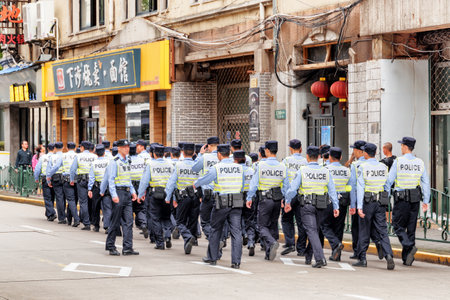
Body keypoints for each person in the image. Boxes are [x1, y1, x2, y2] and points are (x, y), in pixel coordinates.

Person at [284, 146, 339, 268]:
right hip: (321, 206)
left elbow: (292, 189)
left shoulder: (302, 170)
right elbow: (332, 190)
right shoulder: (325, 171)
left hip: (307, 205)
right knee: (315, 230)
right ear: (319, 157)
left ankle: (320, 259)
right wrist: (336, 206)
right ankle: (309, 256)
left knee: (312, 231)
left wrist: (288, 202)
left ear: (307, 157)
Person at [195, 144, 245, 268]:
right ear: (229, 153)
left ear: (219, 154)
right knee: (236, 232)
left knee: (215, 229)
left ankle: (212, 257)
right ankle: (236, 261)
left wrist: (196, 184)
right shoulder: (239, 168)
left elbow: (205, 179)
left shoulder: (217, 168)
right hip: (237, 201)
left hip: (222, 202)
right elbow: (242, 185)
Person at [385, 137, 430, 266]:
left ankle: (409, 246)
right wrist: (426, 200)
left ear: (405, 147)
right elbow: (425, 182)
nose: (401, 148)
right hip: (415, 199)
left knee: (398, 226)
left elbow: (389, 181)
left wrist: (386, 196)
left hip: (401, 199)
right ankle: (407, 258)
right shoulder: (420, 162)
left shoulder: (398, 161)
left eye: (402, 145)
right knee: (411, 228)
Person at [352, 143, 395, 270]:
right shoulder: (383, 166)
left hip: (368, 202)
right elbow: (387, 185)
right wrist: (385, 199)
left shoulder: (363, 167)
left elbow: (360, 187)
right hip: (380, 202)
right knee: (382, 230)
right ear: (375, 153)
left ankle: (363, 258)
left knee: (364, 229)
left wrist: (359, 206)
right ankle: (388, 255)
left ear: (365, 153)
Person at [246, 140, 289, 261]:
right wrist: (286, 200)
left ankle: (271, 242)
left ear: (267, 151)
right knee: (273, 224)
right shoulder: (282, 166)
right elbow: (286, 187)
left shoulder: (260, 166)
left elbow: (254, 185)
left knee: (261, 226)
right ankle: (269, 252)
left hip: (265, 199)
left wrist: (249, 198)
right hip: (277, 199)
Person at [105, 139, 139, 256]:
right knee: (115, 221)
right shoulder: (114, 161)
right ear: (119, 148)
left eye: (128, 147)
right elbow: (111, 180)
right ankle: (110, 246)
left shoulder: (128, 160)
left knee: (129, 221)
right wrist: (114, 195)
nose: (127, 149)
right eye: (124, 147)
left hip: (127, 193)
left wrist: (133, 192)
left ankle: (128, 247)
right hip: (118, 193)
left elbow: (128, 178)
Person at [165, 143, 200, 254]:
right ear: (194, 153)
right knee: (193, 221)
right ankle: (189, 241)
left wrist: (168, 196)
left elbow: (171, 182)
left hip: (183, 197)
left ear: (182, 153)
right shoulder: (198, 166)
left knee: (180, 221)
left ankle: (188, 237)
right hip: (195, 196)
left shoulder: (179, 165)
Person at [138, 145, 174, 250]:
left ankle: (159, 243)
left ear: (154, 154)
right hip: (168, 194)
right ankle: (167, 236)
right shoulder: (170, 164)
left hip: (155, 195)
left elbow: (144, 181)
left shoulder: (150, 164)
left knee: (155, 218)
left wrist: (140, 195)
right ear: (163, 154)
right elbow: (173, 180)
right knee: (167, 217)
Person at [323, 147, 355, 261]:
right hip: (342, 201)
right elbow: (350, 188)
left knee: (324, 225)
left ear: (330, 157)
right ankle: (336, 255)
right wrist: (352, 203)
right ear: (341, 157)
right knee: (339, 227)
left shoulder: (325, 169)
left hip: (328, 201)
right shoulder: (347, 170)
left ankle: (336, 244)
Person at [281, 139, 308, 256]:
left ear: (291, 149)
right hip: (302, 194)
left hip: (290, 194)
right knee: (301, 222)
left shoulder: (286, 161)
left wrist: (285, 197)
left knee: (286, 219)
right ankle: (301, 249)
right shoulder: (306, 161)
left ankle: (290, 243)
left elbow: (284, 180)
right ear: (301, 149)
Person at [192, 136, 220, 240]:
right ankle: (220, 238)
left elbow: (194, 168)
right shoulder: (226, 157)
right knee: (219, 221)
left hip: (208, 195)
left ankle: (214, 240)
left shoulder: (205, 157)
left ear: (207, 146)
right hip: (222, 194)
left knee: (205, 221)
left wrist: (200, 154)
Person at [70, 141, 96, 231]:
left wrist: (71, 180)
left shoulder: (78, 156)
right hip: (93, 181)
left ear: (82, 148)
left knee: (83, 202)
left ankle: (87, 223)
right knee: (93, 202)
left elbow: (73, 169)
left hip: (82, 181)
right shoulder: (95, 156)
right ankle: (94, 221)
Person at [235, 150, 257, 256]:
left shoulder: (235, 171)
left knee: (238, 219)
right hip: (250, 197)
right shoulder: (252, 171)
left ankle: (244, 235)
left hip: (238, 196)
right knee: (250, 220)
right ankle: (251, 241)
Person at [88, 144, 109, 232]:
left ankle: (96, 226)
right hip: (107, 187)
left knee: (95, 207)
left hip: (97, 187)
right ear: (104, 152)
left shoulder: (94, 163)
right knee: (107, 207)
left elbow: (91, 177)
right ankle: (107, 225)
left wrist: (89, 189)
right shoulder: (109, 162)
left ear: (96, 153)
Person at [129, 143, 148, 238]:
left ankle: (128, 228)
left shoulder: (126, 160)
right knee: (140, 207)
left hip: (130, 186)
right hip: (140, 185)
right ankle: (144, 224)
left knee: (128, 208)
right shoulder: (142, 160)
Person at [34, 144, 56, 221]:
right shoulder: (57, 157)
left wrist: (36, 178)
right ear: (54, 149)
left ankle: (52, 212)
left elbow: (37, 169)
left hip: (45, 178)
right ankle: (49, 215)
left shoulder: (43, 157)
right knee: (52, 197)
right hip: (54, 178)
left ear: (47, 149)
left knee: (47, 197)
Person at [46, 142, 66, 224]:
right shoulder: (66, 156)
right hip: (65, 178)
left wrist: (48, 178)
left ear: (54, 148)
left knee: (59, 197)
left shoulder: (52, 157)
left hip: (56, 178)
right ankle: (69, 216)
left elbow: (49, 168)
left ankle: (62, 218)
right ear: (63, 147)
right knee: (67, 198)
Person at [63, 142, 79, 227]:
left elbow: (56, 166)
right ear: (75, 148)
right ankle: (69, 219)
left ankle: (76, 219)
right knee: (74, 200)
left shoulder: (63, 156)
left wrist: (49, 176)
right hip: (77, 179)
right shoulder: (78, 155)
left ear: (67, 147)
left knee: (71, 200)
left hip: (67, 179)